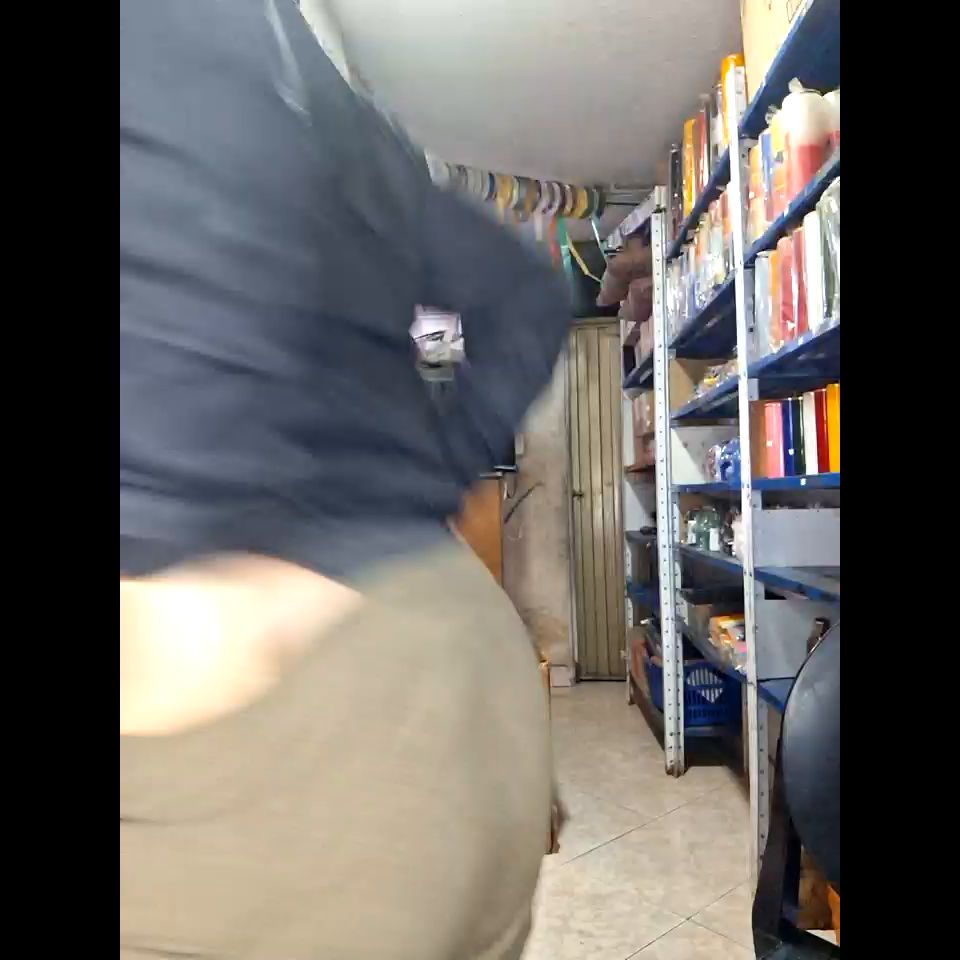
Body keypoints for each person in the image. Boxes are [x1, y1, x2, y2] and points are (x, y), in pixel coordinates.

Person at [120, 1, 572, 958]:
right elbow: (526, 293)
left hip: (275, 723)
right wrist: (422, 475)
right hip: (435, 659)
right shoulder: (336, 119)